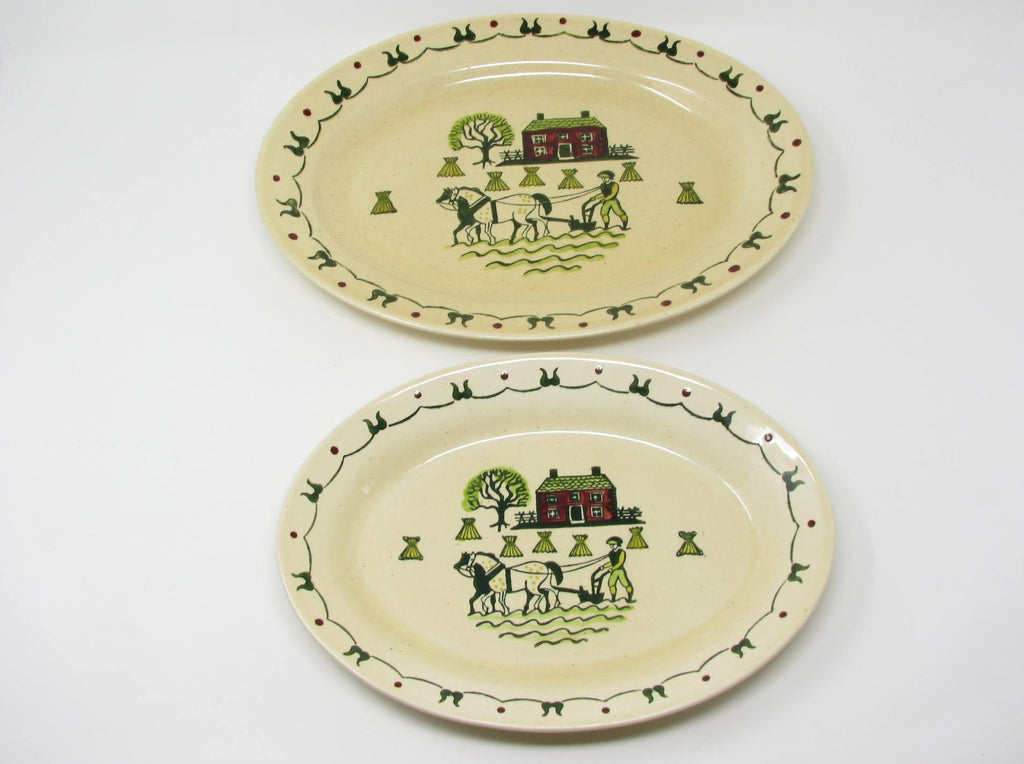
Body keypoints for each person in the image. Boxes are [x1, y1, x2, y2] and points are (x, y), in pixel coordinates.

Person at [597, 536, 634, 602]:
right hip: (614, 571)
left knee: (625, 584)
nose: (611, 546)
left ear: (618, 544)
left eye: (613, 544)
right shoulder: (611, 553)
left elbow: (620, 562)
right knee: (611, 584)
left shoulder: (622, 552)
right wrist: (603, 567)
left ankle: (629, 598)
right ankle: (613, 599)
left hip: (620, 571)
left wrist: (612, 569)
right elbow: (611, 563)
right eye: (610, 545)